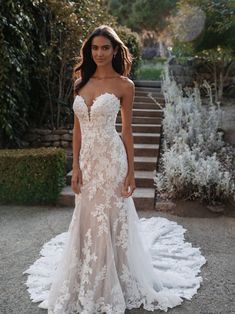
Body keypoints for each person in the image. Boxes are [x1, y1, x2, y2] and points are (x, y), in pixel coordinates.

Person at [23, 25, 206, 313]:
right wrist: (75, 165)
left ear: (114, 50)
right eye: (94, 47)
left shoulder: (124, 85)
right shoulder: (80, 82)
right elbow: (77, 128)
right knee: (88, 215)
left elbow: (128, 131)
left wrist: (132, 172)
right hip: (88, 161)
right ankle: (87, 274)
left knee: (111, 214)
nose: (99, 53)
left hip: (112, 159)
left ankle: (116, 277)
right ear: (89, 49)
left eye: (105, 48)